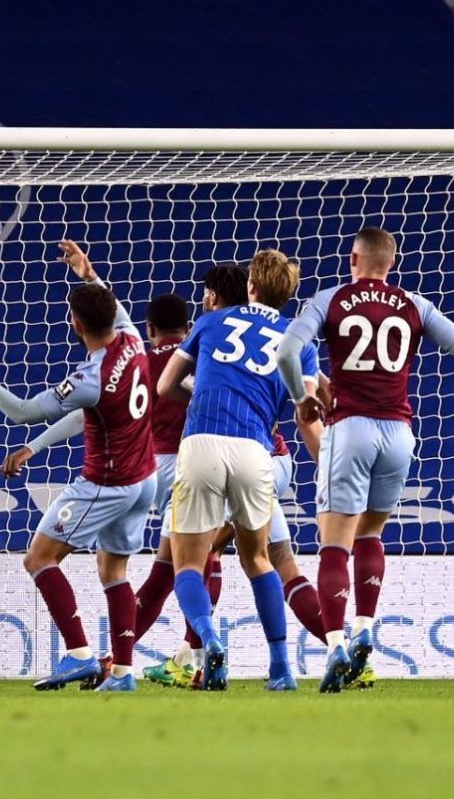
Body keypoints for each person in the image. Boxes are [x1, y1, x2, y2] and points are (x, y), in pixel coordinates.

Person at [278, 226, 454, 692]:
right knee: (371, 533)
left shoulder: (329, 300)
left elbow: (288, 352)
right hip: (399, 433)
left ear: (353, 258)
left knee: (334, 541)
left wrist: (301, 399)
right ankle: (366, 625)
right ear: (390, 263)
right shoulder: (415, 304)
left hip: (349, 427)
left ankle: (335, 645)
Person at [0, 240, 158, 691]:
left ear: (77, 324)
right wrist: (87, 274)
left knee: (40, 558)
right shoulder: (133, 339)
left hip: (106, 483)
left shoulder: (89, 378)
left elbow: (22, 411)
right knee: (114, 571)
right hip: (145, 479)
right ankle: (122, 674)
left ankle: (79, 654)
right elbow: (113, 304)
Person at [155, 249, 315, 691]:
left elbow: (165, 385)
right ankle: (281, 668)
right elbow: (307, 408)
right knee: (259, 559)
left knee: (188, 561)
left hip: (202, 442)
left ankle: (208, 640)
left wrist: (208, 394)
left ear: (250, 286)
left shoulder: (209, 322)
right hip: (255, 449)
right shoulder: (298, 340)